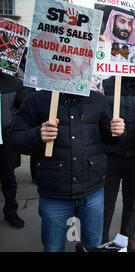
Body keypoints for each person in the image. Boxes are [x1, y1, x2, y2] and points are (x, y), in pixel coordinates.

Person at [8, 90, 125, 252]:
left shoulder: (97, 99)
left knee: (92, 244)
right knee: (53, 247)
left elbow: (109, 140)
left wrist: (116, 132)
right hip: (54, 193)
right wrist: (37, 134)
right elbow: (14, 138)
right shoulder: (37, 99)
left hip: (92, 190)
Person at [101, 75, 135, 252]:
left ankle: (126, 238)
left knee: (132, 203)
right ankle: (102, 241)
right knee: (106, 203)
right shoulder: (105, 84)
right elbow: (98, 118)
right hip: (110, 155)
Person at [0, 71, 28, 228]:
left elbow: (23, 108)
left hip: (5, 139)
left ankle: (11, 211)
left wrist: (10, 123)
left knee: (8, 177)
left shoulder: (13, 83)